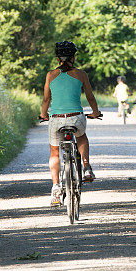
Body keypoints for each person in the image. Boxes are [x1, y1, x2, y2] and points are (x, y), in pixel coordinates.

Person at [40, 40, 102, 207]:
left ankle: (55, 190)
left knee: (54, 153)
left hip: (56, 119)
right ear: (74, 57)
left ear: (57, 57)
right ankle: (87, 167)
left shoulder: (50, 75)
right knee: (81, 138)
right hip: (76, 117)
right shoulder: (81, 74)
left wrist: (43, 114)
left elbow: (46, 99)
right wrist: (95, 113)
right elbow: (90, 97)